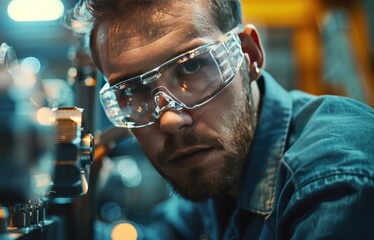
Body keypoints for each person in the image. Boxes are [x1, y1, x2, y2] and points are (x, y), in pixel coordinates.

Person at [68, 0, 374, 239]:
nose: (170, 121)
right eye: (133, 91)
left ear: (249, 55)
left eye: (192, 68)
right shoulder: (216, 173)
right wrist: (67, 208)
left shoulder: (335, 183)